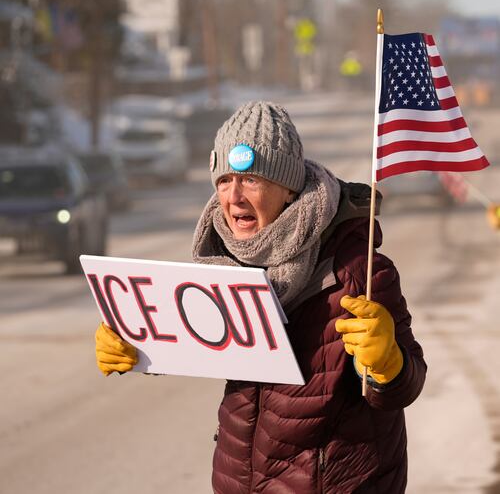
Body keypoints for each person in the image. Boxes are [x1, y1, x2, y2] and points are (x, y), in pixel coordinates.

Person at [95, 101, 426, 493]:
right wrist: (136, 340)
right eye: (224, 181)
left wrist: (388, 364)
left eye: (251, 180)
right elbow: (198, 337)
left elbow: (405, 386)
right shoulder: (224, 262)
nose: (233, 197)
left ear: (288, 189)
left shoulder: (357, 271)